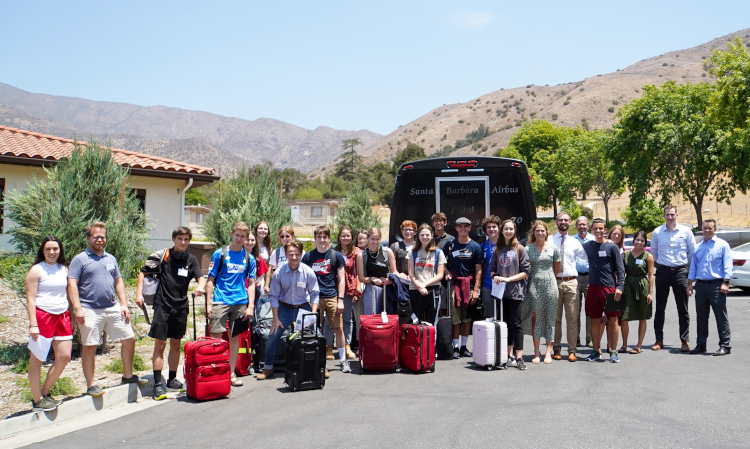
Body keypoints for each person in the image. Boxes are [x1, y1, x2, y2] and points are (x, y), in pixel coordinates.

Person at [68, 222, 147, 397]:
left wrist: (124, 304)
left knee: (129, 338)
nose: (100, 240)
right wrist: (77, 308)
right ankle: (91, 385)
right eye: (96, 237)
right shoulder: (80, 259)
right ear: (88, 238)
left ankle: (128, 376)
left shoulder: (110, 259)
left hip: (112, 307)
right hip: (89, 309)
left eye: (102, 237)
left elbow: (118, 282)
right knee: (90, 346)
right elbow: (72, 284)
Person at [136, 227, 206, 400]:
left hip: (181, 307)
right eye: (180, 238)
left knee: (176, 344)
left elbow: (201, 278)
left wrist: (200, 287)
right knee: (160, 345)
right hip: (163, 306)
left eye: (186, 239)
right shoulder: (163, 256)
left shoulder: (191, 260)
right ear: (174, 239)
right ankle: (158, 384)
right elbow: (143, 273)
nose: (183, 242)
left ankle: (172, 380)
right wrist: (139, 295)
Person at [256, 241, 319, 380]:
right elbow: (273, 296)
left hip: (304, 307)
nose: (294, 257)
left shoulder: (308, 272)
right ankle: (268, 368)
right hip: (284, 308)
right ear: (286, 255)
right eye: (291, 254)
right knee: (272, 337)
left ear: (301, 254)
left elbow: (315, 293)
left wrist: (312, 315)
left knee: (315, 336)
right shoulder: (279, 272)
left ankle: (320, 366)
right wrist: (275, 318)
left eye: (297, 254)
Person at [25, 236, 73, 411]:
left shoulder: (64, 269)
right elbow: (30, 299)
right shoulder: (37, 270)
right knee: (37, 360)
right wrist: (33, 324)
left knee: (64, 356)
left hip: (63, 316)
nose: (52, 252)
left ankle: (44, 393)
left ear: (60, 250)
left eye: (55, 249)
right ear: (42, 251)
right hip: (42, 317)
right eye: (48, 249)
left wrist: (72, 318)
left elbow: (68, 295)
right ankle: (37, 399)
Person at [206, 222, 256, 387]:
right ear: (231, 234)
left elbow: (251, 283)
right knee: (216, 339)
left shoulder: (249, 258)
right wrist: (208, 304)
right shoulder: (220, 254)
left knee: (235, 339)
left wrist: (250, 306)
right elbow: (210, 280)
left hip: (240, 302)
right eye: (237, 235)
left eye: (243, 236)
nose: (240, 238)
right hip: (220, 301)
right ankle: (215, 373)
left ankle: (231, 373)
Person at [302, 225, 349, 373]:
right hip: (314, 299)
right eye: (319, 237)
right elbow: (303, 278)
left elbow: (342, 279)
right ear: (315, 239)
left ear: (329, 239)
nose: (322, 240)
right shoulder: (308, 256)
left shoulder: (336, 256)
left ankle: (343, 360)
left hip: (332, 297)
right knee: (315, 330)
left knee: (338, 329)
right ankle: (320, 362)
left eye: (324, 237)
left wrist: (340, 299)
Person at [650, 205, 695, 352]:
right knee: (660, 308)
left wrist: (683, 267)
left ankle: (684, 340)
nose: (670, 217)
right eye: (667, 215)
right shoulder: (657, 232)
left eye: (672, 214)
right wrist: (664, 264)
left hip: (680, 272)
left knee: (683, 308)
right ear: (664, 216)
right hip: (662, 272)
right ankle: (659, 340)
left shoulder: (686, 231)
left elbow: (692, 253)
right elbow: (654, 253)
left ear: (677, 215)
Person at [581, 218, 625, 363]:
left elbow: (620, 269)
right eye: (595, 228)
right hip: (593, 288)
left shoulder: (612, 247)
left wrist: (619, 287)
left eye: (601, 228)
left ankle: (613, 351)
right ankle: (595, 350)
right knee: (594, 320)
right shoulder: (588, 246)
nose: (598, 231)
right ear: (591, 230)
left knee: (613, 320)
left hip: (610, 289)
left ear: (605, 230)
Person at [686, 219, 732, 356]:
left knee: (720, 317)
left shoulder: (722, 245)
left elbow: (728, 265)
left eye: (710, 228)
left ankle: (725, 345)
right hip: (700, 286)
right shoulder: (698, 247)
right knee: (701, 317)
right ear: (702, 228)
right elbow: (693, 267)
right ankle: (701, 345)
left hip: (717, 285)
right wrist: (689, 284)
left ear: (715, 229)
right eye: (705, 228)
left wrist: (726, 282)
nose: (707, 230)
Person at [489, 220, 530, 370]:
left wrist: (508, 279)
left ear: (514, 231)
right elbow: (492, 268)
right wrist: (496, 276)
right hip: (501, 293)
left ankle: (519, 357)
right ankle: (508, 355)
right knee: (505, 325)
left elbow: (525, 272)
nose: (508, 231)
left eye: (511, 229)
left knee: (516, 324)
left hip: (515, 292)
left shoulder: (520, 249)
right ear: (502, 231)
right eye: (506, 229)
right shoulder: (498, 249)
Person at [548, 211, 588, 362]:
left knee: (572, 319)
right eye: (560, 220)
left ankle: (572, 351)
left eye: (566, 220)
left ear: (570, 223)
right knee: (556, 319)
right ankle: (556, 349)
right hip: (555, 281)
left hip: (571, 282)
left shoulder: (574, 242)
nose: (563, 222)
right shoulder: (550, 240)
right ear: (556, 222)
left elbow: (586, 255)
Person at [521, 220, 561, 364]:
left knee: (550, 318)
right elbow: (524, 268)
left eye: (542, 231)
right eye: (537, 230)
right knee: (536, 319)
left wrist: (548, 278)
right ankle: (537, 352)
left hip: (550, 286)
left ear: (546, 233)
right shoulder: (527, 249)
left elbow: (556, 269)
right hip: (533, 286)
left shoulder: (553, 249)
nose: (540, 233)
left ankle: (548, 351)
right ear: (533, 232)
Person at [444, 217, 483, 359]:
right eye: (460, 226)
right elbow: (442, 263)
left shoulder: (475, 247)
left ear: (469, 228)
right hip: (454, 285)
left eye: (465, 226)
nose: (463, 229)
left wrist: (476, 290)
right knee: (455, 318)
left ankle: (463, 347)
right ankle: (455, 347)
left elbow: (479, 270)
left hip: (470, 286)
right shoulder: (450, 244)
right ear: (456, 228)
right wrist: (447, 273)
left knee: (467, 318)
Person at [620, 230, 654, 354]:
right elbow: (620, 271)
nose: (639, 242)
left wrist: (650, 292)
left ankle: (639, 345)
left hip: (642, 286)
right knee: (624, 316)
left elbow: (651, 275)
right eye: (637, 239)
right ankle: (624, 344)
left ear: (645, 242)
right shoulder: (626, 254)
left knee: (642, 316)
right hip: (628, 285)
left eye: (642, 240)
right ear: (633, 240)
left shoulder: (648, 256)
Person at [406, 223, 446, 323]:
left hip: (433, 290)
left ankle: (432, 339)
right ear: (418, 236)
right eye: (422, 235)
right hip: (415, 289)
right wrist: (420, 286)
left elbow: (440, 275)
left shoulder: (438, 252)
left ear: (431, 236)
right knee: (417, 321)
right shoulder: (412, 252)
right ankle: (419, 339)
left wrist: (425, 284)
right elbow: (411, 274)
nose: (425, 237)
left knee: (432, 321)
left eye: (427, 235)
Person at [332, 226, 361, 360]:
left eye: (348, 235)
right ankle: (328, 347)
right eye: (343, 235)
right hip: (333, 288)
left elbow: (358, 273)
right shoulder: (333, 251)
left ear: (352, 237)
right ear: (339, 237)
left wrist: (357, 290)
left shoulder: (357, 252)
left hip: (349, 288)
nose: (345, 238)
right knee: (329, 319)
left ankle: (347, 345)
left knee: (347, 319)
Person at [356, 227, 398, 316]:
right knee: (371, 317)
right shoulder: (362, 255)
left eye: (377, 239)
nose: (375, 242)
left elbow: (394, 272)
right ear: (367, 239)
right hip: (371, 290)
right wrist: (372, 279)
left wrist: (389, 281)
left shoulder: (388, 252)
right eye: (372, 239)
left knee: (386, 317)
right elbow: (361, 278)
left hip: (387, 290)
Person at [573, 216, 595, 348]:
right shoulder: (571, 240)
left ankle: (590, 338)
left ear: (588, 226)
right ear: (576, 226)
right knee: (574, 311)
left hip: (590, 278)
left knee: (590, 310)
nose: (582, 227)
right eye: (579, 224)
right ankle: (575, 338)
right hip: (574, 278)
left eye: (584, 225)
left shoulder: (593, 240)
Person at [432, 212, 454, 316]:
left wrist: (447, 272)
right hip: (430, 275)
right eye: (436, 221)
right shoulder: (429, 238)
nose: (438, 223)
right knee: (432, 305)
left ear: (445, 223)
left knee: (444, 305)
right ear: (433, 223)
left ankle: (443, 327)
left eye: (440, 221)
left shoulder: (451, 239)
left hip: (445, 277)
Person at [480, 216, 501, 320]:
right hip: (488, 285)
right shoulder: (482, 246)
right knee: (489, 316)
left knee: (503, 315)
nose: (492, 229)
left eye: (494, 226)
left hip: (503, 285)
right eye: (489, 227)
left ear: (499, 228)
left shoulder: (504, 244)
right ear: (485, 230)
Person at [245, 232, 270, 307]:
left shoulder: (258, 258)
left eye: (252, 240)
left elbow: (261, 277)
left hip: (253, 294)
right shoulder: (236, 256)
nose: (250, 242)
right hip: (239, 294)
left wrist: (261, 285)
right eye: (247, 240)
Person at [254, 221, 273, 296]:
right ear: (256, 230)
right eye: (260, 228)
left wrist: (267, 284)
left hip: (261, 281)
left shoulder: (268, 247)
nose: (263, 230)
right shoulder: (249, 243)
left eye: (265, 229)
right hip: (248, 280)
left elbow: (268, 266)